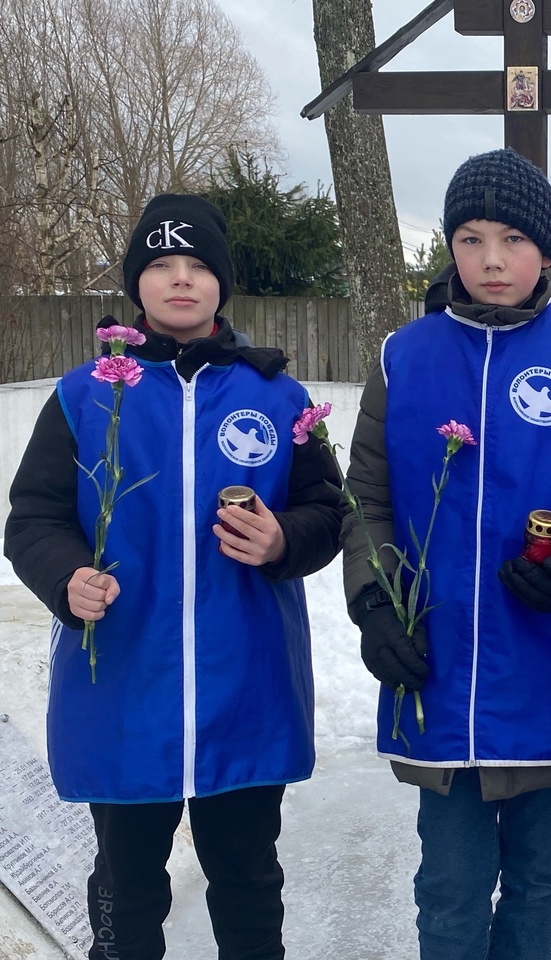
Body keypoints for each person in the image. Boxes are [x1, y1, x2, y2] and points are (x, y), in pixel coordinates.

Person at [3, 193, 345, 960]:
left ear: (223, 284)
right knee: (127, 890)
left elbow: (332, 510)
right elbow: (32, 520)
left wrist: (282, 537)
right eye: (162, 265)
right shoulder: (84, 394)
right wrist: (67, 580)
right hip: (124, 687)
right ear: (137, 285)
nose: (181, 280)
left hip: (245, 688)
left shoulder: (277, 397)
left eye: (199, 266)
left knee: (249, 880)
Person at [342, 147, 551, 960]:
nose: (491, 259)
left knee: (537, 877)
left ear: (545, 250)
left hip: (549, 668)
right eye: (471, 237)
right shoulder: (401, 357)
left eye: (512, 239)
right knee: (448, 886)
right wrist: (375, 604)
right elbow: (366, 500)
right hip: (436, 673)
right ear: (448, 245)